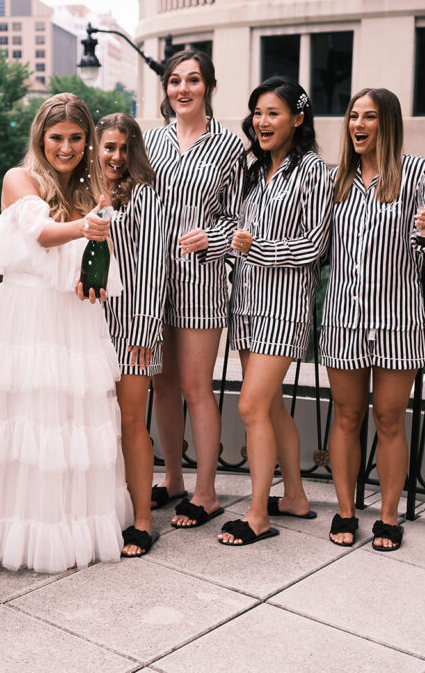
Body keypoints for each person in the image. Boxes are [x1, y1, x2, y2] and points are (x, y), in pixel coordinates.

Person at [0, 93, 132, 572]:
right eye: (57, 138)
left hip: (73, 317)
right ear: (41, 137)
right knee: (25, 421)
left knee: (72, 423)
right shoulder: (18, 178)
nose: (66, 148)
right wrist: (86, 227)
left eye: (76, 138)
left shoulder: (94, 191)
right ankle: (15, 532)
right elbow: (42, 235)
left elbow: (92, 255)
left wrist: (90, 277)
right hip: (27, 316)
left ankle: (70, 527)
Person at [322, 87, 425, 551]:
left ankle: (390, 517)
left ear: (388, 123)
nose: (358, 124)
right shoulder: (334, 180)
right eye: (353, 116)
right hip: (342, 318)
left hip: (398, 317)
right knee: (346, 415)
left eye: (369, 117)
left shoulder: (417, 173)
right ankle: (344, 511)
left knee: (390, 418)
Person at [219, 77, 331, 546]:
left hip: (284, 306)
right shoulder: (252, 170)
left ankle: (258, 514)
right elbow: (234, 233)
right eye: (257, 113)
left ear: (298, 119)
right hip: (245, 304)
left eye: (273, 113)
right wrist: (227, 242)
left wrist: (258, 247)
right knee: (269, 406)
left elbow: (315, 245)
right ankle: (296, 498)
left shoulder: (314, 172)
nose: (262, 122)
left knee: (249, 405)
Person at [144, 49, 245, 528]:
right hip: (151, 280)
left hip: (202, 281)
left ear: (208, 86)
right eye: (174, 81)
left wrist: (214, 237)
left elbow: (244, 219)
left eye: (193, 80)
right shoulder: (152, 142)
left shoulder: (230, 146)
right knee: (162, 384)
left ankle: (206, 492)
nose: (182, 89)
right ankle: (173, 479)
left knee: (195, 386)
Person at [93, 113, 166, 557]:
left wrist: (145, 327)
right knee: (95, 424)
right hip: (87, 323)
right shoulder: (82, 191)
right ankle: (105, 512)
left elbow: (156, 264)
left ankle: (141, 520)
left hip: (132, 324)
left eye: (124, 148)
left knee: (130, 423)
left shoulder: (146, 195)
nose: (116, 156)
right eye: (108, 147)